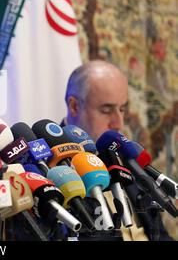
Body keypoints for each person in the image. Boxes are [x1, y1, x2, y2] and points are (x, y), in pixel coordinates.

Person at [63, 60, 173, 241]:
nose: (119, 123)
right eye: (106, 110)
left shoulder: (126, 155)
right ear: (74, 106)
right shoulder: (51, 169)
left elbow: (159, 235)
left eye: (122, 109)